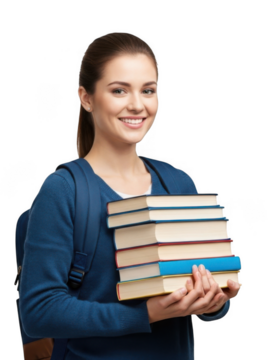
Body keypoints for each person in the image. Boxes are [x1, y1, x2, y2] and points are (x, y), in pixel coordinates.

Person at [19, 32, 241, 360]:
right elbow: (39, 312)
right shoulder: (63, 191)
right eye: (119, 90)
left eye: (148, 90)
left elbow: (202, 291)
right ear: (87, 97)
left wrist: (214, 301)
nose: (137, 104)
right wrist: (145, 314)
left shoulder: (178, 184)